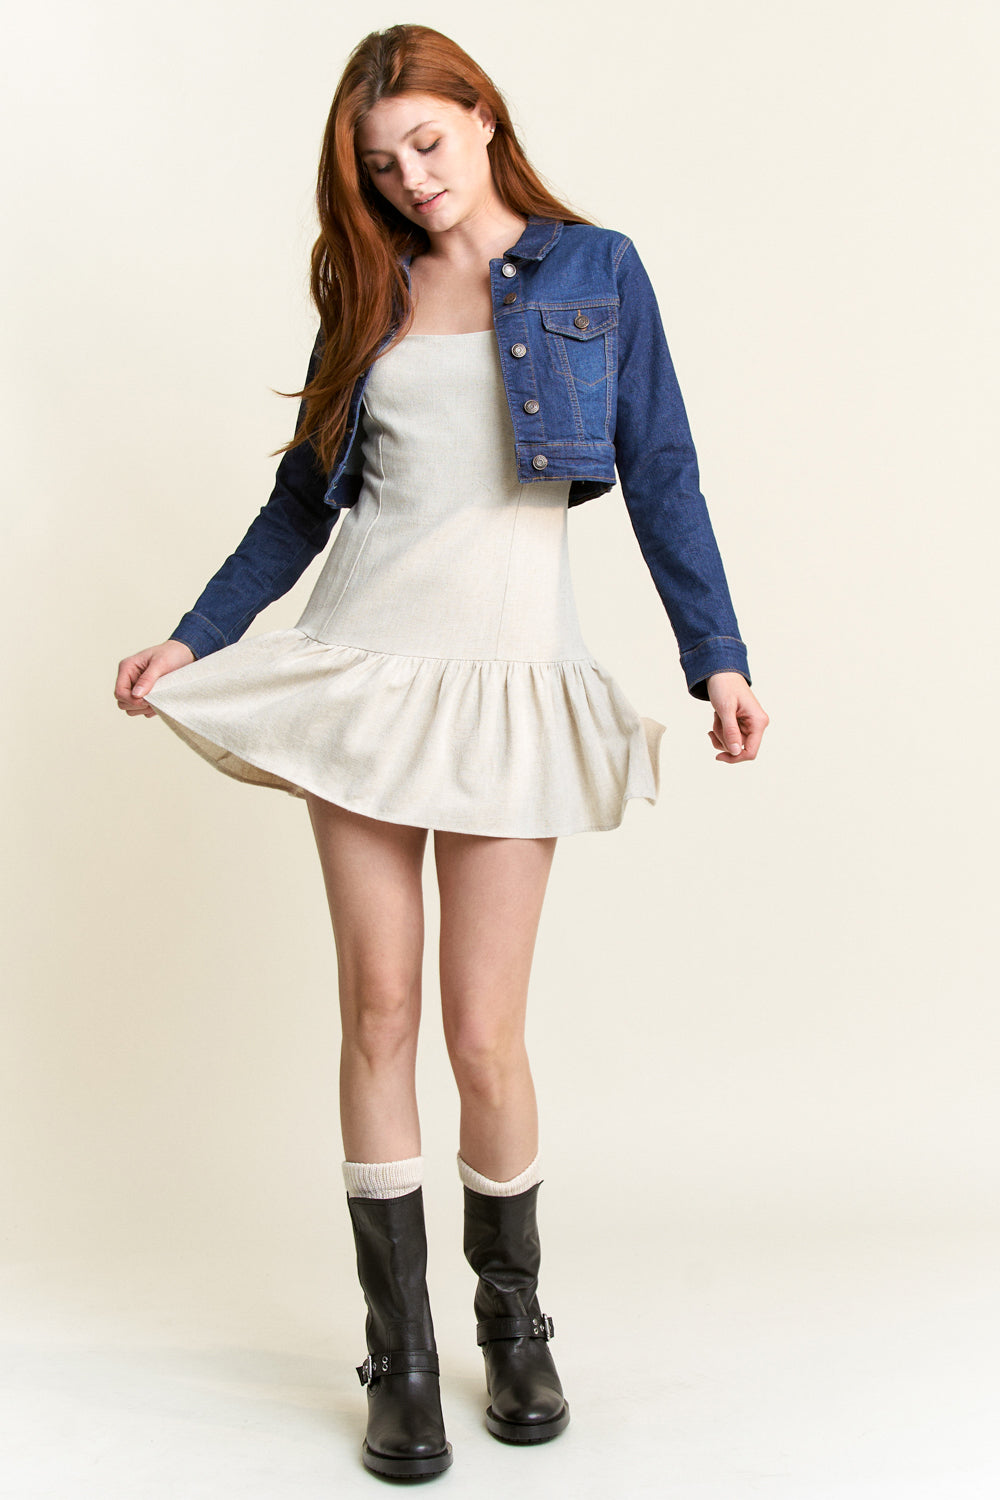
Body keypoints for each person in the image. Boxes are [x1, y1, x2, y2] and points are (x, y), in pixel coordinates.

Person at [114, 22, 769, 1483]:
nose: (411, 178)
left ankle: (512, 1321)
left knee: (484, 1033)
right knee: (381, 1012)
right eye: (380, 163)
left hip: (512, 681)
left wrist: (715, 656)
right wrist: (194, 637)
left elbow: (662, 467)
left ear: (482, 116)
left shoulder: (597, 271)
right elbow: (306, 502)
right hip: (361, 674)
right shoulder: (371, 290)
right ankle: (399, 1353)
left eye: (426, 141)